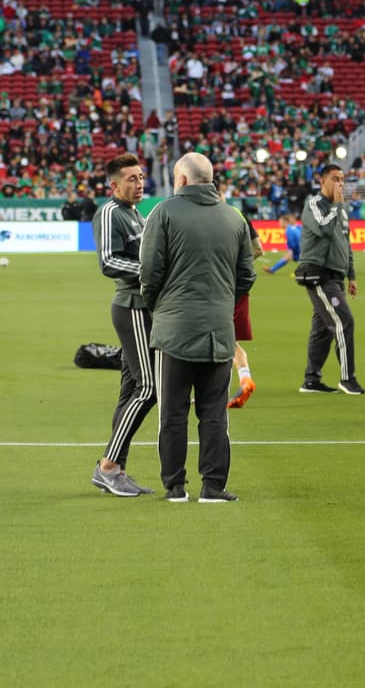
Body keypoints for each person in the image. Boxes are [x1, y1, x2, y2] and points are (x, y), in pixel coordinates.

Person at [140, 153, 255, 503]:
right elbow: (246, 275)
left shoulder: (164, 212)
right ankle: (213, 486)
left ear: (183, 180)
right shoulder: (234, 219)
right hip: (218, 331)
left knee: (173, 412)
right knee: (214, 412)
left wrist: (158, 304)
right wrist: (220, 302)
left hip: (175, 330)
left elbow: (149, 271)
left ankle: (175, 486)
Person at [89, 153, 158, 498]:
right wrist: (152, 274)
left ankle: (116, 469)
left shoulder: (135, 214)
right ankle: (108, 467)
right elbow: (107, 261)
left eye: (141, 176)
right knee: (149, 388)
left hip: (144, 307)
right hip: (132, 306)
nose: (139, 182)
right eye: (131, 178)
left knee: (131, 391)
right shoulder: (110, 212)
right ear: (114, 185)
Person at [298, 163, 365, 395]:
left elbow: (346, 245)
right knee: (344, 321)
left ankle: (311, 380)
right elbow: (323, 229)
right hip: (318, 274)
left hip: (335, 276)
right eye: (335, 178)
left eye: (342, 179)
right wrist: (337, 206)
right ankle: (348, 378)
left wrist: (352, 275)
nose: (340, 183)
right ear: (322, 181)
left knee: (323, 329)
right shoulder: (314, 205)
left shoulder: (342, 212)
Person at [228, 207, 264, 409]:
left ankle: (209, 391)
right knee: (228, 340)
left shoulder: (208, 216)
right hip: (240, 288)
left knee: (211, 338)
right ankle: (245, 377)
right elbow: (258, 249)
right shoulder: (238, 214)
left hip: (216, 287)